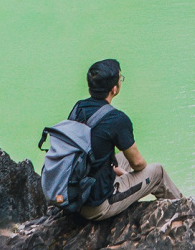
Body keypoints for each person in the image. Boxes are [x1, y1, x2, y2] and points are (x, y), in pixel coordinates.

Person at [69, 57, 183, 220]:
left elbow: (90, 154)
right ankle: (185, 213)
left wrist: (117, 170)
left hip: (74, 195)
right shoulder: (117, 119)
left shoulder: (78, 108)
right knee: (157, 172)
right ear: (114, 89)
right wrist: (127, 175)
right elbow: (138, 163)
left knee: (123, 158)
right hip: (96, 205)